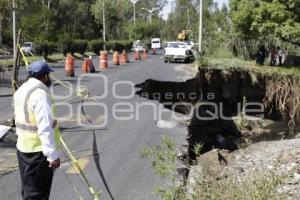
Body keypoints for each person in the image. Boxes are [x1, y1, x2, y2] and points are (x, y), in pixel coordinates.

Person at [13, 60, 61, 200]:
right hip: (38, 153)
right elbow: (45, 127)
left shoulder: (21, 90)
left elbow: (18, 118)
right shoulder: (40, 95)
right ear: (45, 76)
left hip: (23, 148)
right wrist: (52, 155)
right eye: (48, 75)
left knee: (30, 190)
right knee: (37, 194)